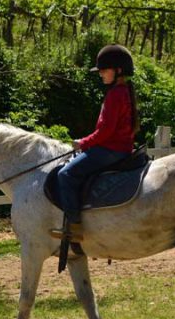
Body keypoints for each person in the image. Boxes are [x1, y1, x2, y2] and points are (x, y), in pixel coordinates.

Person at [49, 44, 139, 242]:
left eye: (104, 70)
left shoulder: (115, 95)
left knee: (66, 174)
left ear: (118, 71)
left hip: (111, 149)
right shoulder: (123, 91)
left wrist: (83, 142)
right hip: (119, 148)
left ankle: (74, 226)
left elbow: (106, 131)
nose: (101, 75)